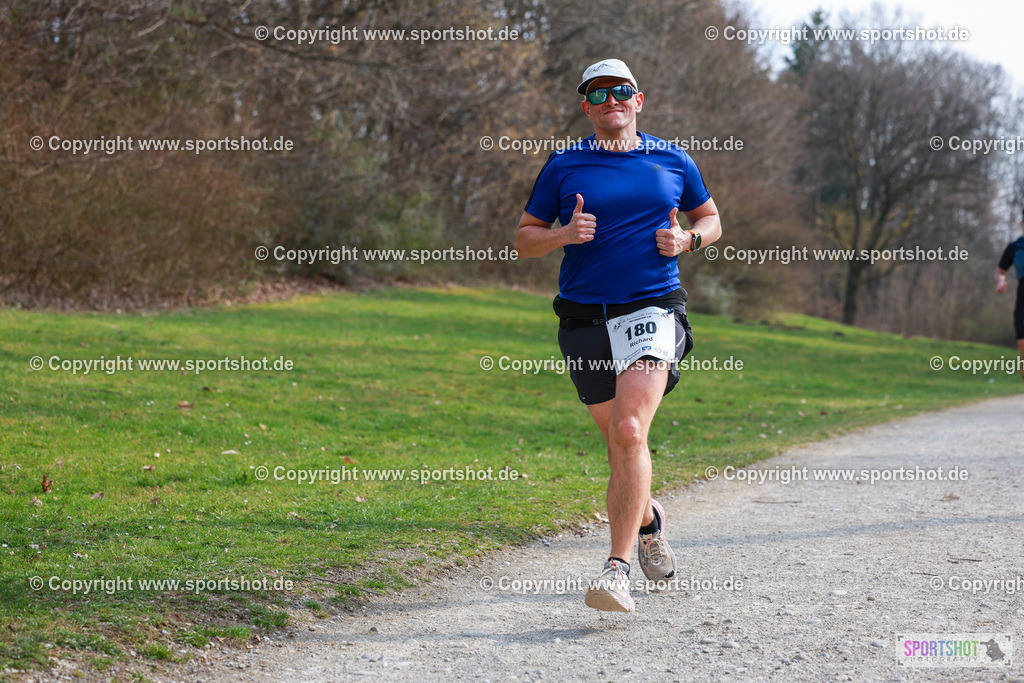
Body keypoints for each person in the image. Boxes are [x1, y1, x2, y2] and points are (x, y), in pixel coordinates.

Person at [513, 58, 722, 612]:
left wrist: (687, 241)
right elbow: (524, 240)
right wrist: (560, 234)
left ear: (638, 99)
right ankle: (649, 520)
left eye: (621, 90)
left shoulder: (672, 158)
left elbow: (710, 219)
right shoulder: (564, 165)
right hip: (583, 317)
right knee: (619, 443)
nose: (612, 100)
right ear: (587, 107)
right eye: (598, 93)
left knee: (630, 430)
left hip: (652, 307)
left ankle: (616, 569)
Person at [996, 209, 1024, 382]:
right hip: (1023, 299)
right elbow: (1000, 271)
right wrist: (1000, 281)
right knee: (1022, 345)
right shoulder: (1015, 247)